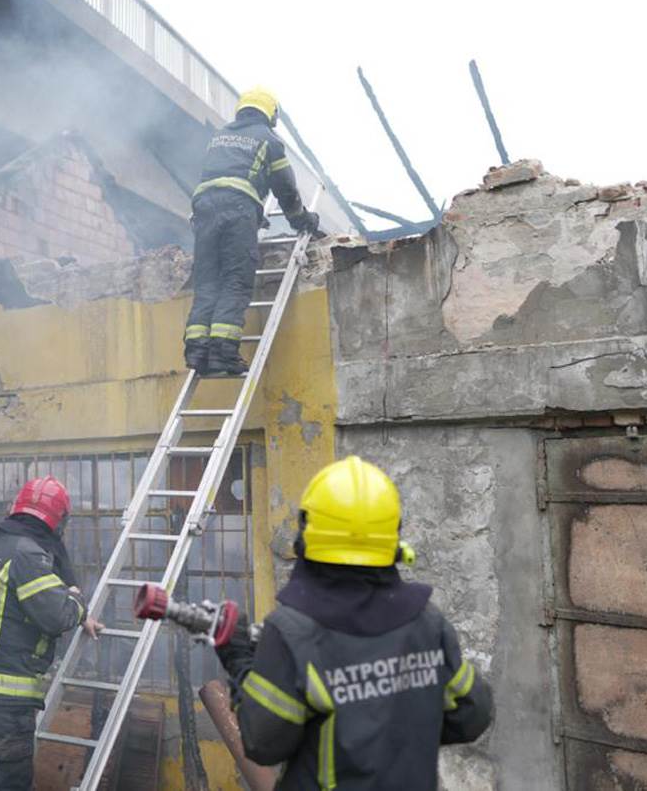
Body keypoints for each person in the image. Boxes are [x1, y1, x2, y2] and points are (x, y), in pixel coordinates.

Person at [215, 456, 493, 790]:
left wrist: (240, 659)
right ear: (394, 532)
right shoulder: (427, 622)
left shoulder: (292, 631)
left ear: (307, 531)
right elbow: (471, 715)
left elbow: (263, 743)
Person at [0, 476, 102, 790]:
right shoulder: (27, 555)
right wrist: (76, 599)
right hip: (3, 700)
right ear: (57, 521)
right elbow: (58, 616)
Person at [184, 86, 322, 376]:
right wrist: (300, 220)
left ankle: (197, 351)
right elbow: (285, 188)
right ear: (270, 115)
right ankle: (223, 356)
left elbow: (217, 178)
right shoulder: (268, 140)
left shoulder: (219, 137)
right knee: (236, 279)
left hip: (204, 210)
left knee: (208, 280)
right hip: (237, 209)